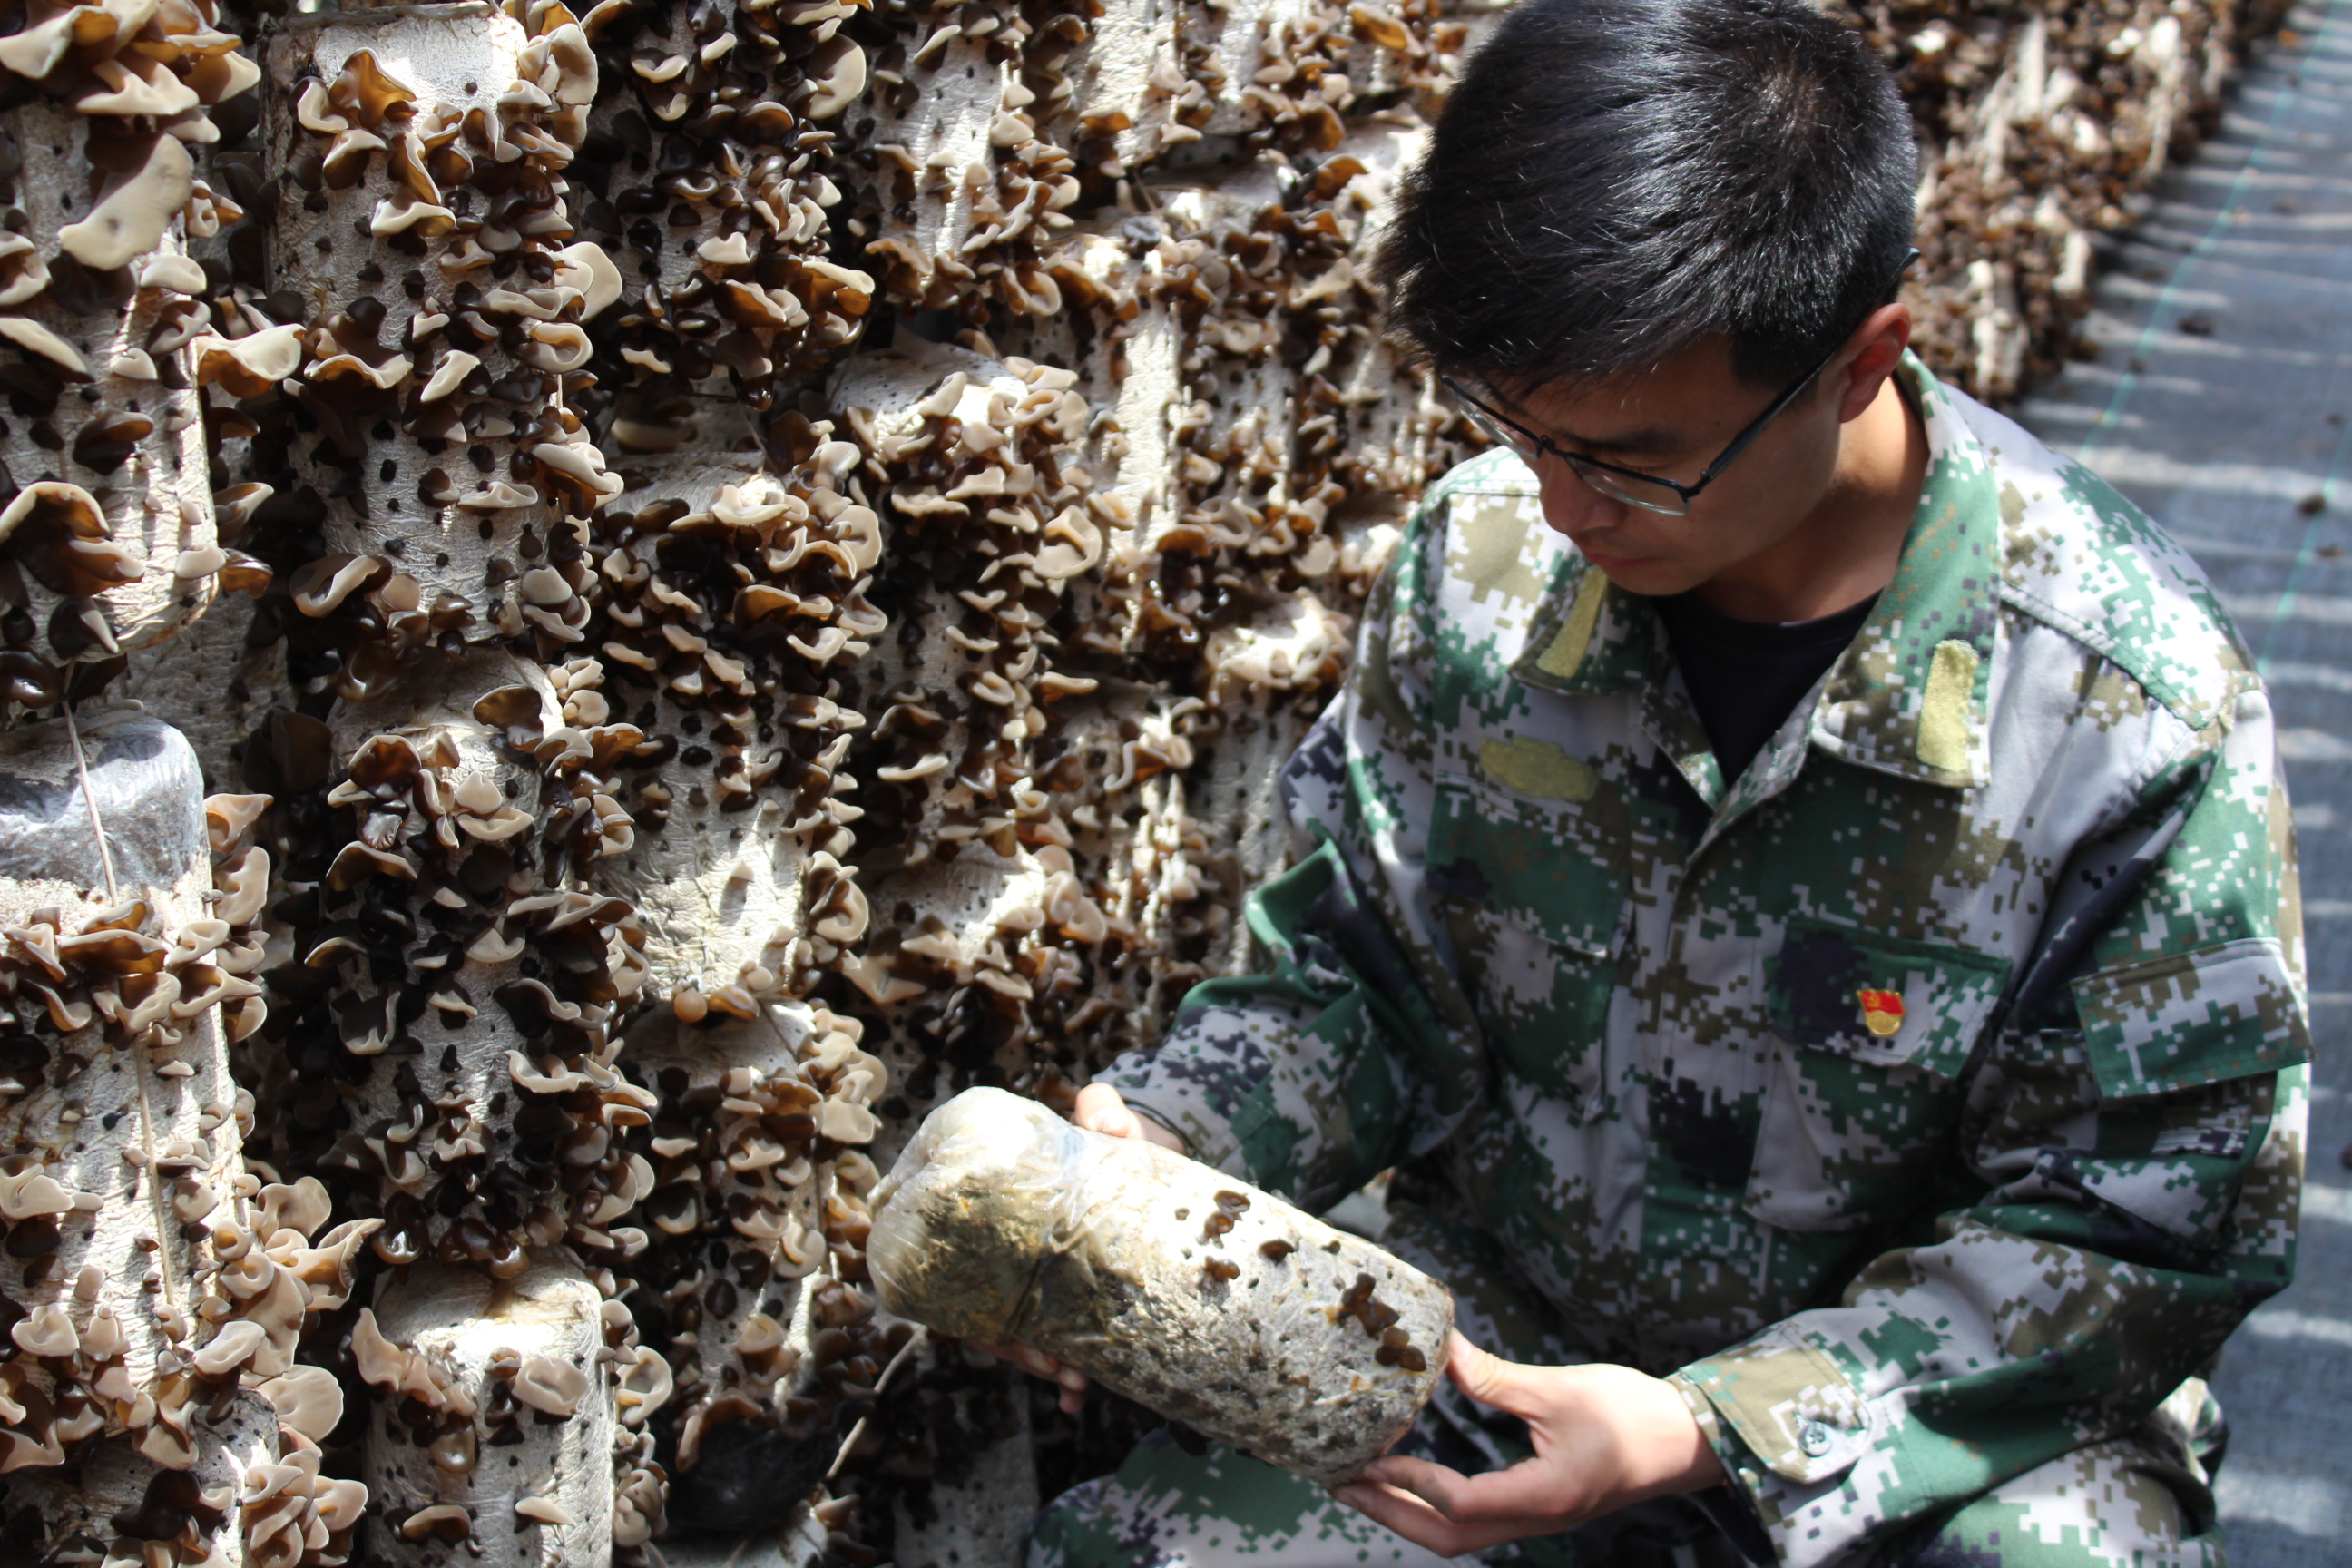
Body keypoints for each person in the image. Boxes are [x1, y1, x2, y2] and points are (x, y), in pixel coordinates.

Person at [996, 0, 2311, 1562]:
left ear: (1858, 358)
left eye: (1629, 458)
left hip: (1917, 1426)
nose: (1558, 507)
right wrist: (1170, 1147)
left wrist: (1707, 1428)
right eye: (1521, 433)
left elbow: (2147, 1219)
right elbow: (1358, 982)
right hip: (1503, 1356)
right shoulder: (1478, 566)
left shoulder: (2124, 707)